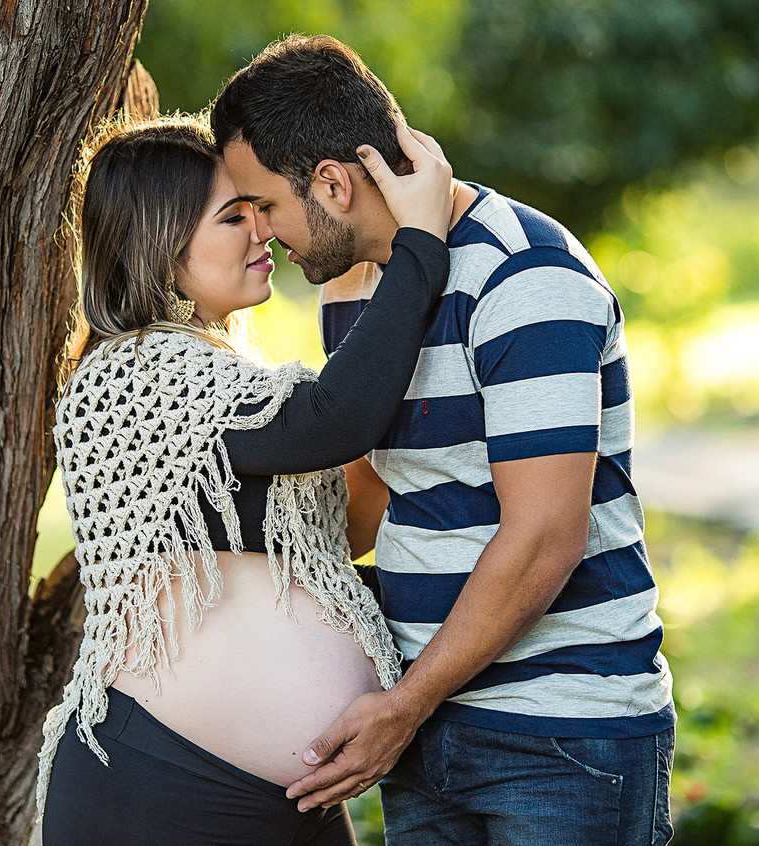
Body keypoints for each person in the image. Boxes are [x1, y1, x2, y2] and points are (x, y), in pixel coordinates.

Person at [211, 34, 676, 846]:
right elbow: (385, 489)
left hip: (562, 736)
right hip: (422, 727)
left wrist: (404, 703)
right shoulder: (359, 286)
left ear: (332, 183)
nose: (263, 234)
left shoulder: (524, 276)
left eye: (266, 205)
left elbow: (544, 536)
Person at [35, 114, 453, 845]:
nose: (263, 232)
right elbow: (334, 421)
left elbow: (340, 521)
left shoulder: (228, 377)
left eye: (261, 212)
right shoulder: (135, 373)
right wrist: (417, 246)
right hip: (161, 791)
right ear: (160, 243)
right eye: (235, 217)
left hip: (296, 799)